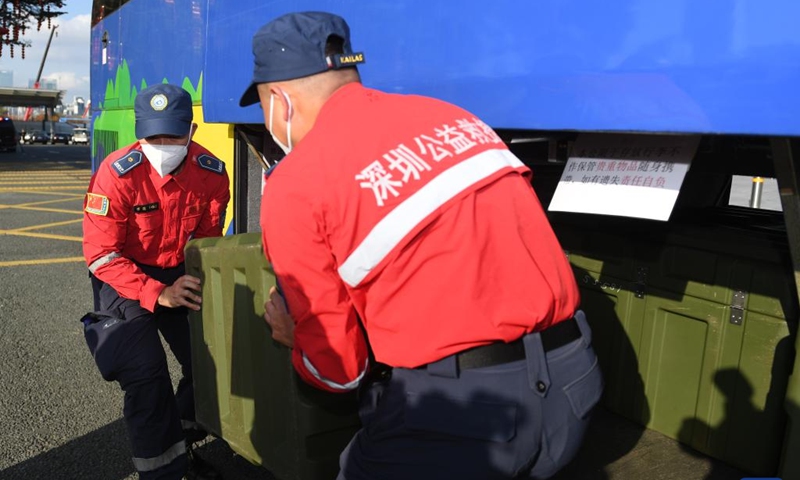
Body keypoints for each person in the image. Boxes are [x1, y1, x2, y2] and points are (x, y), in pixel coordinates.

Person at [241, 12, 603, 479]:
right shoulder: (455, 119)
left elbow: (339, 371)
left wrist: (297, 341)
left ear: (281, 101)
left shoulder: (298, 181)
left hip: (461, 417)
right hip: (575, 382)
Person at [81, 83, 229, 480]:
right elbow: (101, 255)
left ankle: (180, 432)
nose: (163, 144)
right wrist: (156, 292)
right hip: (122, 275)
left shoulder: (211, 173)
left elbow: (207, 243)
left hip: (178, 273)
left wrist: (188, 286)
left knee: (212, 358)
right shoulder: (116, 175)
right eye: (153, 136)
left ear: (192, 132)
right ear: (139, 133)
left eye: (173, 135)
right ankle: (164, 472)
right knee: (146, 374)